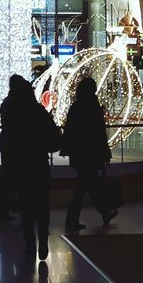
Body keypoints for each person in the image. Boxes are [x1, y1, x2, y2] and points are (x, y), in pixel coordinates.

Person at [0, 75, 61, 260]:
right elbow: (53, 138)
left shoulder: (9, 111)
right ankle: (42, 237)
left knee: (26, 204)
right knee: (42, 203)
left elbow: (7, 137)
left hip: (20, 163)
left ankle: (29, 241)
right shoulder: (39, 112)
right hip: (38, 162)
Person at [61, 77, 116, 231]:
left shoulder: (76, 106)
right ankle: (99, 213)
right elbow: (98, 133)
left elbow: (70, 130)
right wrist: (104, 153)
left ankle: (103, 212)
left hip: (79, 154)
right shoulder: (93, 106)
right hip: (90, 153)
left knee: (88, 185)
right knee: (86, 186)